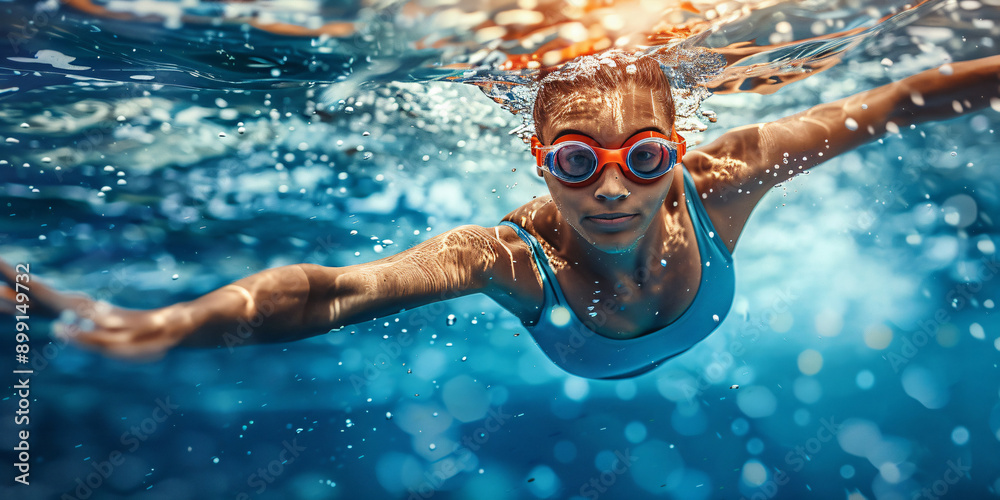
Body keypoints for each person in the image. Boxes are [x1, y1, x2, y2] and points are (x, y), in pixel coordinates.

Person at [2, 51, 998, 379]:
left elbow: (898, 100)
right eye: (577, 161)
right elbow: (335, 287)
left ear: (675, 152)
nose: (610, 189)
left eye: (643, 159)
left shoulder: (725, 176)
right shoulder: (511, 258)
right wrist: (177, 318)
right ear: (542, 161)